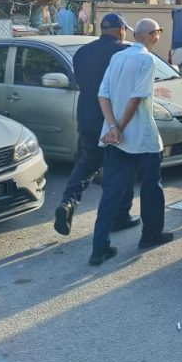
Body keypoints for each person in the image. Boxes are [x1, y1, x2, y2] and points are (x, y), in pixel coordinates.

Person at [89, 18, 173, 265]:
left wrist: (113, 128)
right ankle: (151, 234)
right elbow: (137, 98)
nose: (158, 37)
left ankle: (99, 247)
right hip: (142, 138)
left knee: (110, 193)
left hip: (116, 139)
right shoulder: (146, 60)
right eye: (158, 33)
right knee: (151, 188)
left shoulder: (118, 57)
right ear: (151, 35)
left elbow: (102, 95)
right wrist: (121, 127)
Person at [53, 13, 137, 237]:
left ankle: (67, 203)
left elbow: (83, 83)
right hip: (113, 119)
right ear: (121, 29)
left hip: (87, 117)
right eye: (125, 29)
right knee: (121, 168)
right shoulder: (124, 52)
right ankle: (119, 216)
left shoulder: (82, 53)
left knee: (86, 165)